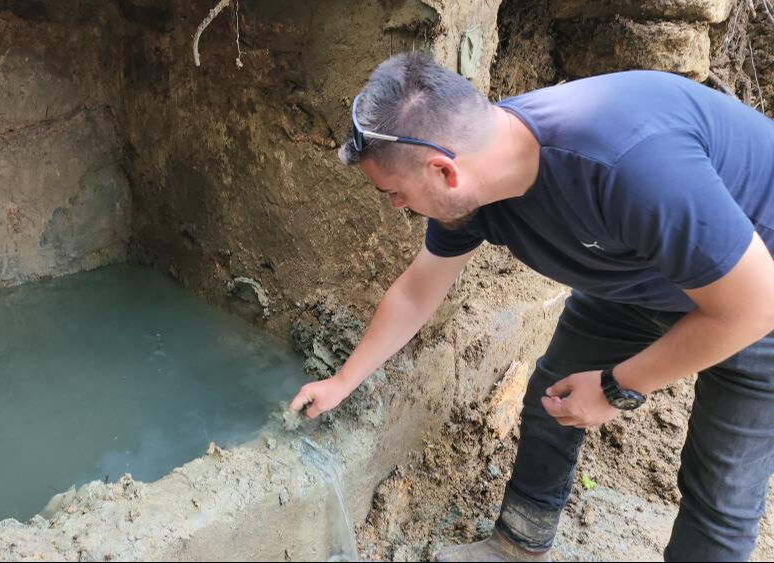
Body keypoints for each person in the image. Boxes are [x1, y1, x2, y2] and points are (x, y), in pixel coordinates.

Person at [288, 52, 774, 562]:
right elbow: (417, 290)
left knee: (719, 491)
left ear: (443, 171)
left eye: (395, 193)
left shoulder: (628, 165)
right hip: (640, 275)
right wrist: (342, 381)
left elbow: (754, 305)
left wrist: (616, 387)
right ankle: (517, 546)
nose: (396, 206)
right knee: (553, 394)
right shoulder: (478, 179)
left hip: (756, 291)